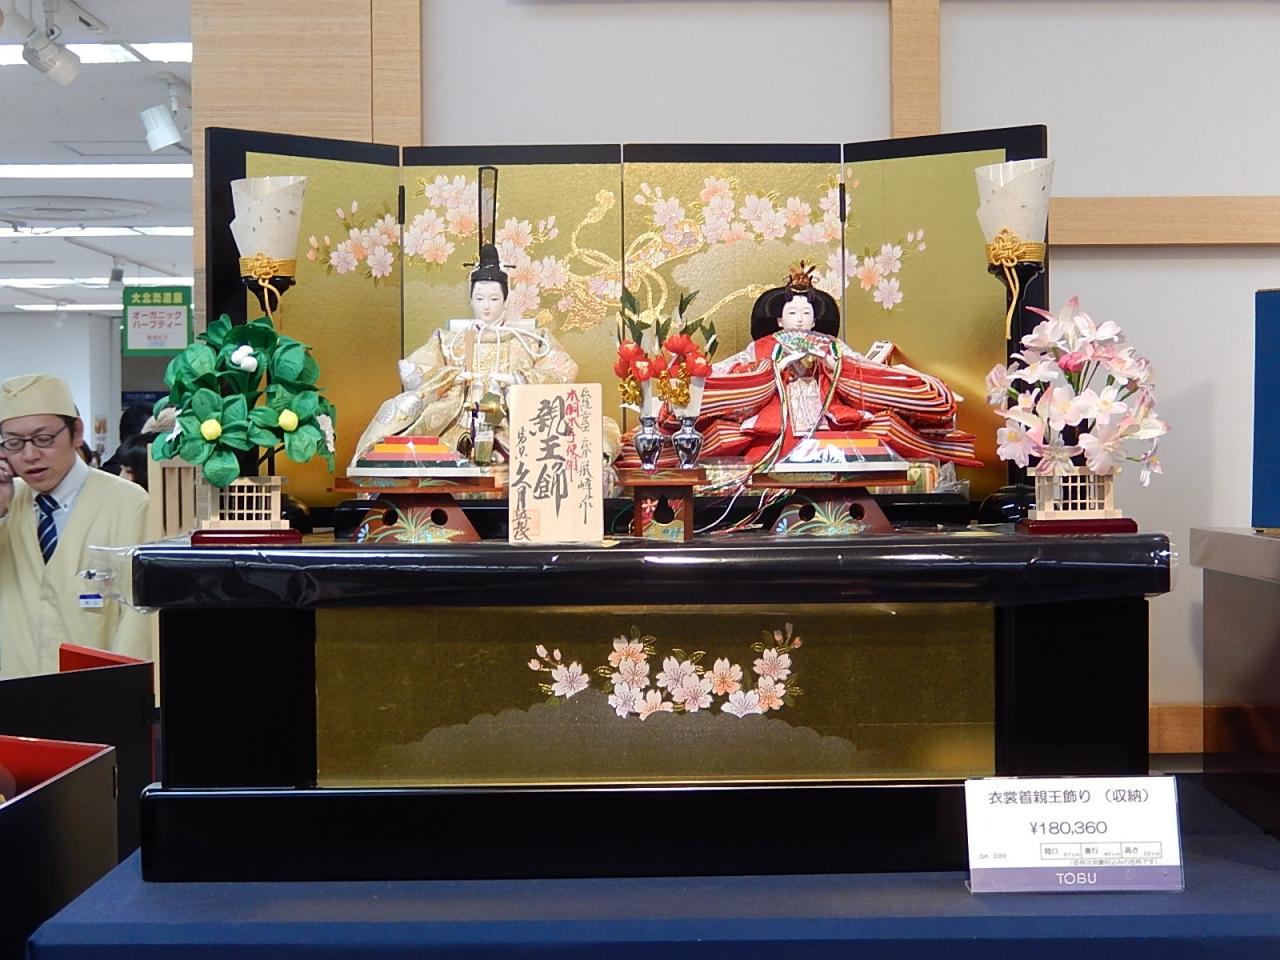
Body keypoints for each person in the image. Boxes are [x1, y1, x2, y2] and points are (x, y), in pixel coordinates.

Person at [617, 265, 980, 470]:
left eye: (807, 312)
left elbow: (858, 365)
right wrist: (772, 370)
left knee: (861, 439)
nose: (801, 317)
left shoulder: (830, 343)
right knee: (749, 444)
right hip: (777, 410)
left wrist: (836, 366)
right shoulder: (763, 345)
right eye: (793, 311)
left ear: (816, 317)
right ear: (778, 318)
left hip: (826, 410)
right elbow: (733, 368)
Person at [351, 243, 580, 465]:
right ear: (471, 299)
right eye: (479, 298)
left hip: (512, 420)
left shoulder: (531, 340)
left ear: (506, 299)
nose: (486, 306)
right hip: (460, 418)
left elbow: (562, 371)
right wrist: (452, 377)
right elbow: (417, 370)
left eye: (494, 298)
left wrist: (517, 379)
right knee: (432, 442)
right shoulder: (450, 340)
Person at [0, 374, 151, 677]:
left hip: (94, 692)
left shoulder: (129, 503)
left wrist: (124, 689)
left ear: (76, 432)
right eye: (14, 443)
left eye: (44, 439)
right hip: (13, 691)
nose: (30, 455)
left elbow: (139, 618)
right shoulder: (8, 504)